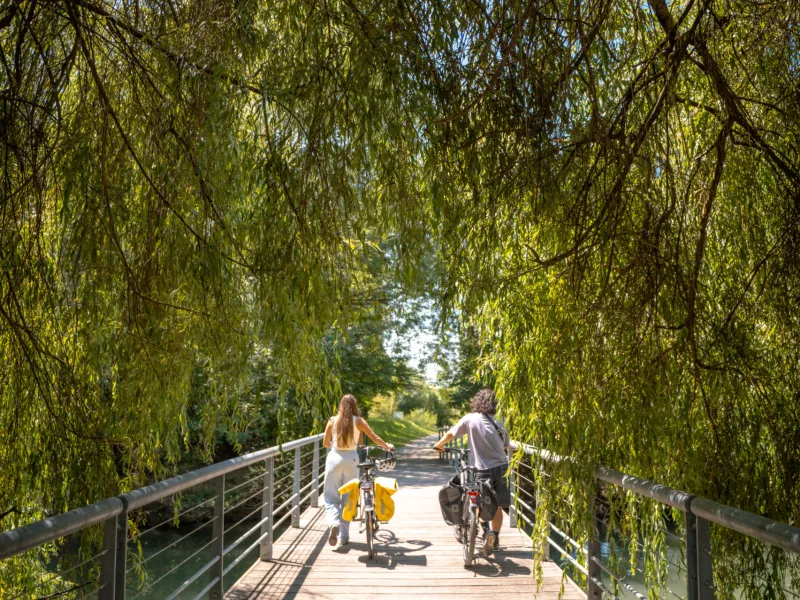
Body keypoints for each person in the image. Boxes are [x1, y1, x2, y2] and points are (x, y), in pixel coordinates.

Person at [433, 388, 510, 556]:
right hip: (502, 468)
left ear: (476, 402)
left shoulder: (469, 419)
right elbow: (505, 445)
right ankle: (495, 539)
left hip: (480, 469)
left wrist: (439, 445)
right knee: (497, 505)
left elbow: (450, 434)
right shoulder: (501, 420)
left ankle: (484, 530)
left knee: (480, 501)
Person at [322, 394, 395, 550]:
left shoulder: (332, 420)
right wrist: (387, 446)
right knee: (349, 498)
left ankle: (333, 523)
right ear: (354, 406)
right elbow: (374, 438)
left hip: (334, 458)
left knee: (330, 497)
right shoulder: (359, 421)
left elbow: (325, 443)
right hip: (352, 459)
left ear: (341, 406)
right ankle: (344, 537)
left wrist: (335, 444)